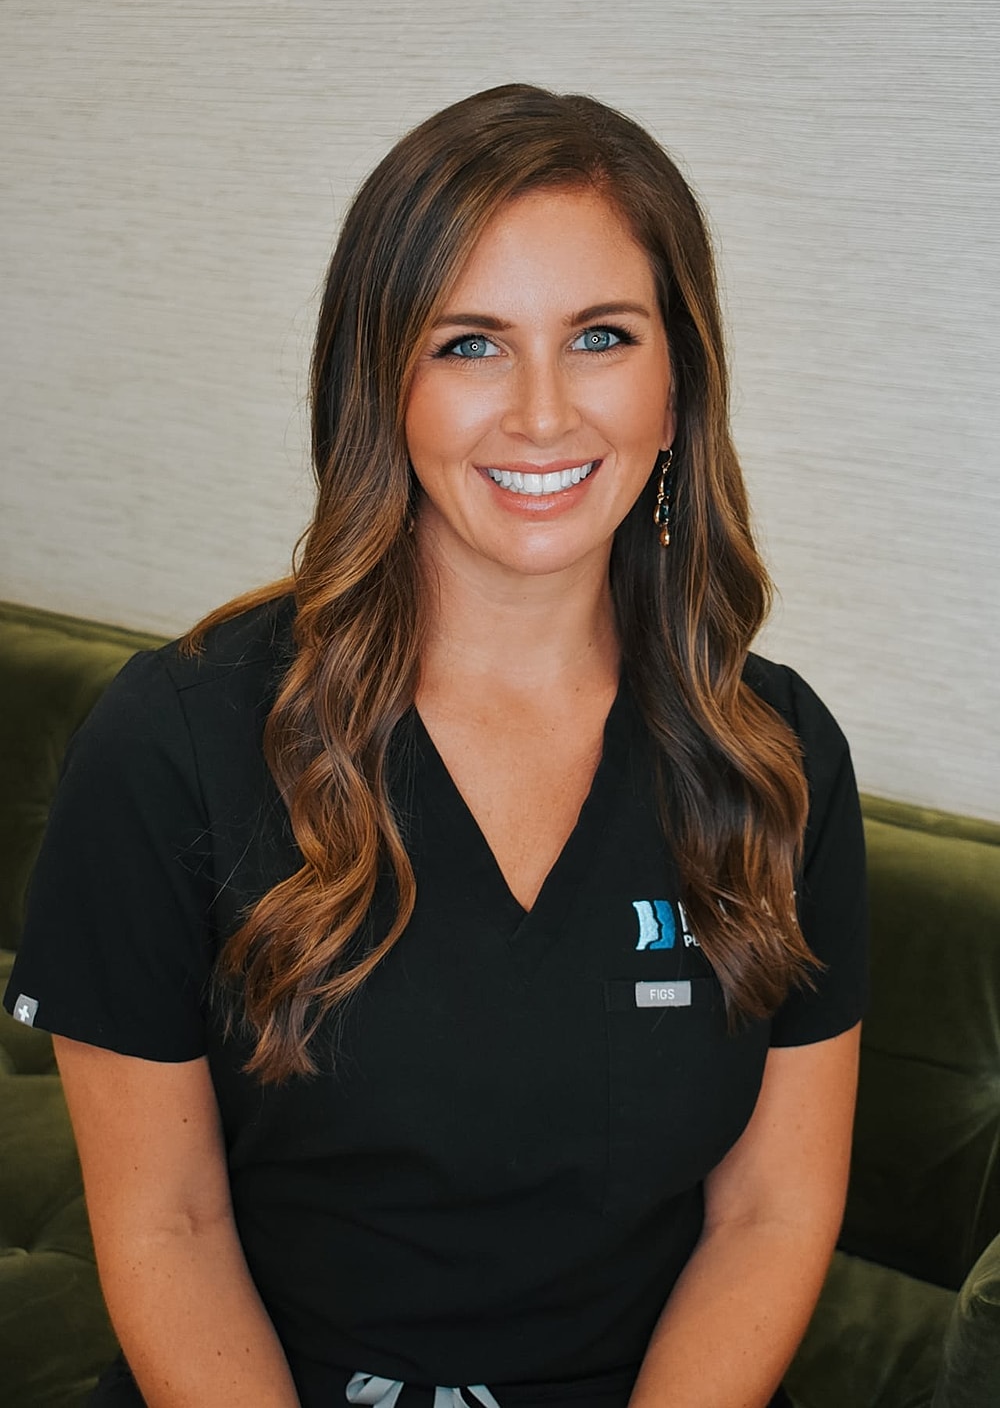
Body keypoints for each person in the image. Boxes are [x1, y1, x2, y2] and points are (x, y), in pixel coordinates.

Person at [4, 84, 866, 1408]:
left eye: (600, 336)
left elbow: (769, 1216)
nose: (540, 415)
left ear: (678, 376)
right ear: (379, 378)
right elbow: (165, 1227)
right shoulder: (177, 740)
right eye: (469, 344)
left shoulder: (776, 752)